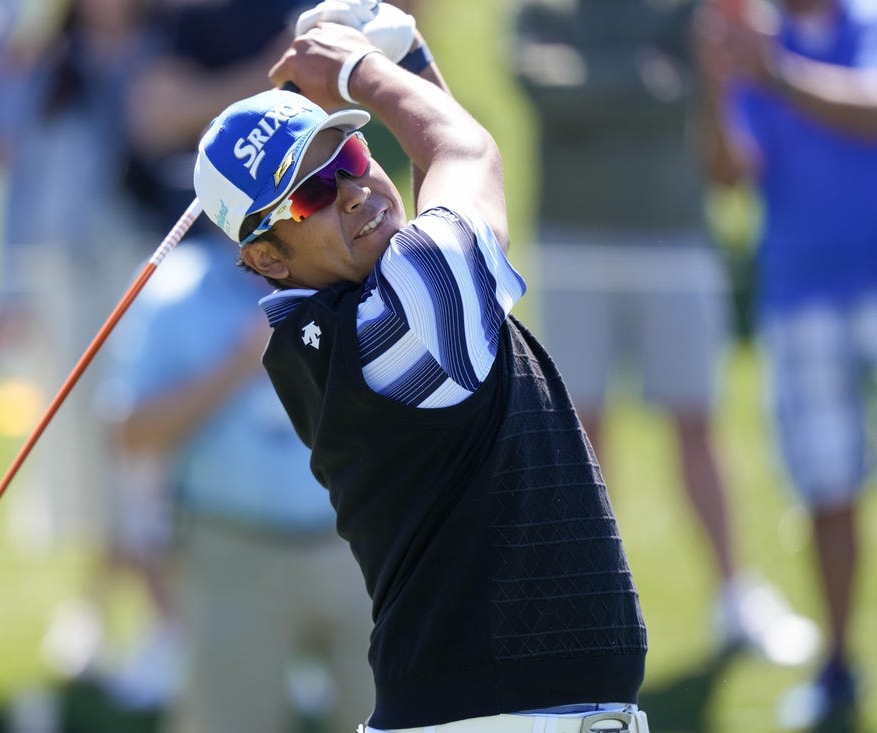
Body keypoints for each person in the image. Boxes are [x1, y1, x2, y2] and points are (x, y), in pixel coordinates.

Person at [190, 6, 650, 731]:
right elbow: (465, 154)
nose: (353, 190)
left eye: (349, 154)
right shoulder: (400, 321)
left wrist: (407, 62)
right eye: (311, 195)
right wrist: (362, 70)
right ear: (266, 258)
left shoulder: (346, 322)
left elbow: (441, 165)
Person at [509, 0, 819, 667]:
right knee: (578, 432)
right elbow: (538, 83)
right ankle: (582, 604)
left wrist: (596, 80)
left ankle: (737, 595)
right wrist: (643, 79)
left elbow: (692, 85)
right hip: (569, 245)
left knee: (696, 422)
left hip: (676, 239)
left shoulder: (686, 7)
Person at [96, 232, 375, 733]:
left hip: (359, 545)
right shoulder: (174, 289)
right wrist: (240, 363)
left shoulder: (361, 272)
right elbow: (129, 433)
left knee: (394, 716)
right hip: (231, 551)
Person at [695, 0, 877, 728]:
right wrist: (715, 85)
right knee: (829, 488)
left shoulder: (863, 24)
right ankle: (838, 664)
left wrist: (775, 72)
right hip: (799, 295)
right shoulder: (751, 46)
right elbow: (729, 175)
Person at [0, 0, 169, 685]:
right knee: (84, 458)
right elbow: (18, 184)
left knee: (139, 455)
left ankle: (153, 619)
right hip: (62, 283)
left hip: (146, 274)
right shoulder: (45, 67)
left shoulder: (168, 48)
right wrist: (7, 294)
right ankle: (100, 612)